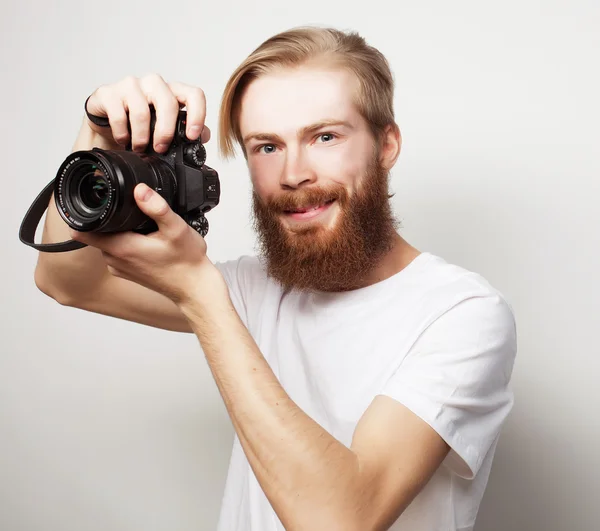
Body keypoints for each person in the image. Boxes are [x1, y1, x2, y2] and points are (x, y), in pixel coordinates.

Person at [34, 26, 517, 531]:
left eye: (324, 137)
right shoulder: (256, 288)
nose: (293, 173)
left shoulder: (462, 314)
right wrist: (98, 135)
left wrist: (201, 294)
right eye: (266, 147)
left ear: (386, 144)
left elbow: (341, 520)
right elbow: (68, 280)